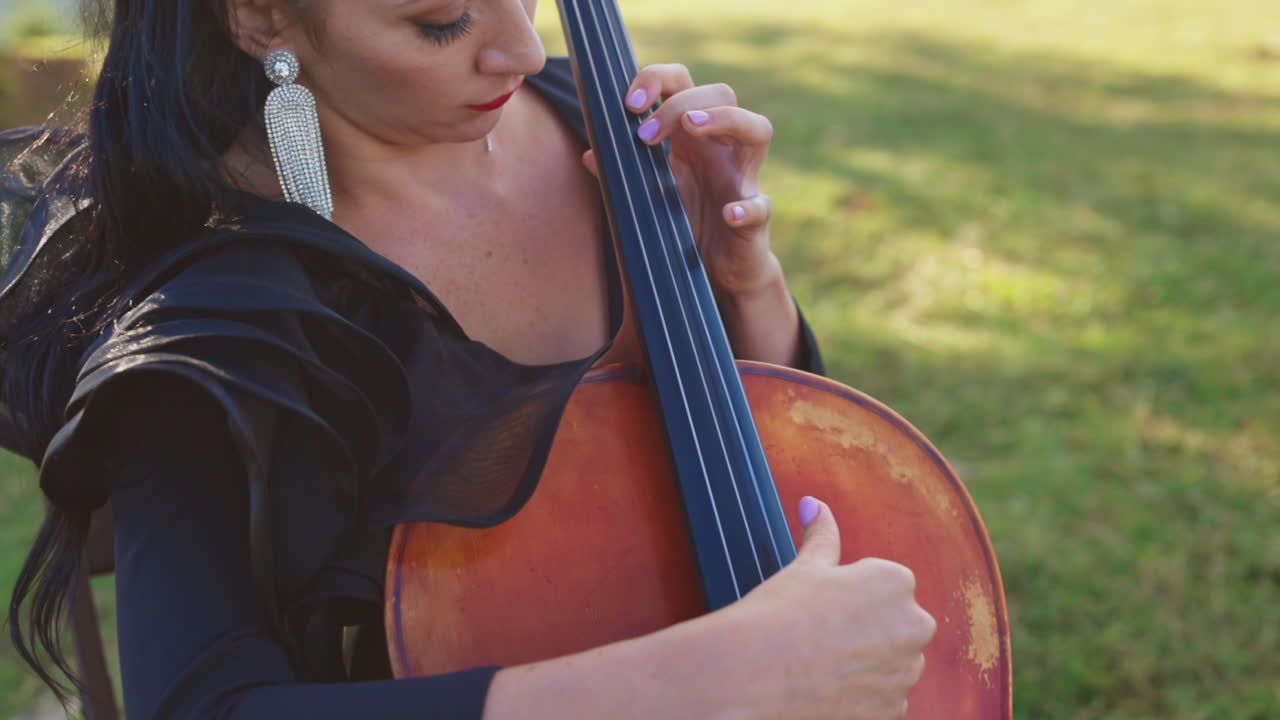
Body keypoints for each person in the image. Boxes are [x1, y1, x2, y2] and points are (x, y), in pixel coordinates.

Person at [1, 1, 936, 718]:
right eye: (443, 21)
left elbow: (767, 466)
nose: (522, 51)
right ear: (261, 17)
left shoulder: (593, 121)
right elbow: (202, 703)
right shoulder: (219, 311)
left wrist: (743, 284)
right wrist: (713, 681)